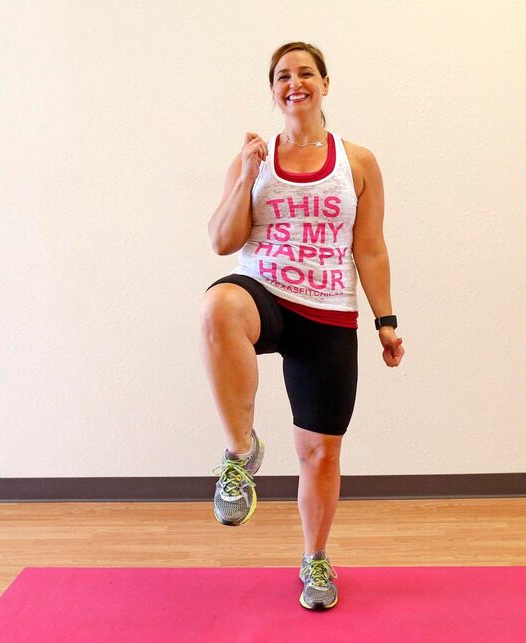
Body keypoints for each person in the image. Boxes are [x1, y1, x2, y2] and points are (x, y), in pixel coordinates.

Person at [200, 41, 405, 611]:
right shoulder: (253, 159)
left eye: (306, 73)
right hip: (264, 292)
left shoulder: (357, 161)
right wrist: (244, 175)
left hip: (329, 312)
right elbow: (221, 242)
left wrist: (386, 321)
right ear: (273, 90)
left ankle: (315, 558)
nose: (295, 83)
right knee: (218, 307)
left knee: (320, 452)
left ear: (325, 83)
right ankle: (240, 455)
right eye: (283, 76)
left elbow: (370, 247)